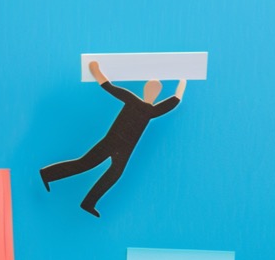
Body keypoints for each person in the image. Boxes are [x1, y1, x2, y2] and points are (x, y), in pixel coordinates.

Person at [39, 61, 187, 217]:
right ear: (145, 89)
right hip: (111, 142)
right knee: (85, 164)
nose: (153, 91)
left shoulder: (151, 110)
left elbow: (175, 100)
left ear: (157, 95)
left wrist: (184, 80)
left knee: (112, 173)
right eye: (151, 88)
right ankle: (48, 175)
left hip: (124, 148)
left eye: (156, 90)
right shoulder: (135, 101)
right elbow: (108, 86)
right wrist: (95, 70)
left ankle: (87, 202)